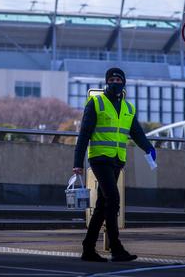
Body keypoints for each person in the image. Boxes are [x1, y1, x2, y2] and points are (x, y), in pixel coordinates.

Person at [73, 67, 157, 262]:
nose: (115, 82)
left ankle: (88, 248)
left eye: (119, 80)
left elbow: (136, 132)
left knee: (103, 205)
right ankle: (116, 249)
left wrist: (148, 148)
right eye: (112, 79)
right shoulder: (96, 102)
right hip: (100, 158)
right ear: (106, 82)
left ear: (124, 83)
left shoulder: (128, 108)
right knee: (113, 198)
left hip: (117, 160)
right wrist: (77, 162)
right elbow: (84, 133)